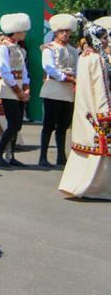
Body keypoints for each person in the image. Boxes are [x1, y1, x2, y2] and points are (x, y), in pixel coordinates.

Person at [58, 20, 111, 199]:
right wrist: (105, 113)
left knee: (85, 149)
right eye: (103, 38)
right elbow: (101, 88)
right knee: (100, 150)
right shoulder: (98, 59)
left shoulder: (84, 56)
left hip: (84, 110)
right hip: (96, 111)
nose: (106, 41)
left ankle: (76, 184)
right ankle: (96, 189)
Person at [39, 13, 79, 167]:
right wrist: (68, 78)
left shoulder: (73, 50)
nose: (65, 34)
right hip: (54, 89)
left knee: (63, 126)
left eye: (67, 31)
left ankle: (61, 156)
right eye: (62, 31)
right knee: (48, 125)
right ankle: (43, 156)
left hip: (68, 91)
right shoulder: (50, 49)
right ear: (55, 32)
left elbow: (77, 67)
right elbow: (49, 68)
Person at [0, 13, 32, 166]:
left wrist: (26, 88)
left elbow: (24, 71)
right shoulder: (3, 48)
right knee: (13, 123)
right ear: (17, 30)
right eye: (24, 30)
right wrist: (18, 91)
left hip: (19, 87)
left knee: (17, 124)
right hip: (9, 89)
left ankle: (10, 155)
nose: (25, 33)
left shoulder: (19, 48)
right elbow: (4, 71)